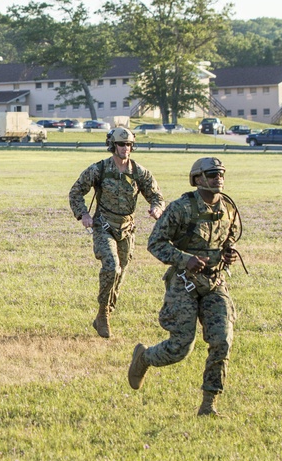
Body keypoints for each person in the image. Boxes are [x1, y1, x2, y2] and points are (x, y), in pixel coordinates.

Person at [128, 157, 243, 417]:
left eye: (221, 174)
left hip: (215, 283)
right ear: (198, 178)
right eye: (212, 174)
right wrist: (185, 259)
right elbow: (155, 243)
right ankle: (144, 358)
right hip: (184, 284)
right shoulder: (181, 208)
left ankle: (208, 405)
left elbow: (230, 239)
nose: (219, 178)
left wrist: (230, 254)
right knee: (181, 347)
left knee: (222, 341)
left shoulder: (228, 208)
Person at [68, 127, 164, 338]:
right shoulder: (99, 169)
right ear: (113, 146)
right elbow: (76, 192)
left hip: (127, 229)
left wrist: (157, 208)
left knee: (120, 274)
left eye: (129, 145)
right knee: (111, 267)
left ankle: (107, 311)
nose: (125, 149)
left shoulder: (139, 172)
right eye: (121, 144)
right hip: (104, 226)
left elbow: (157, 196)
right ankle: (103, 315)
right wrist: (83, 214)